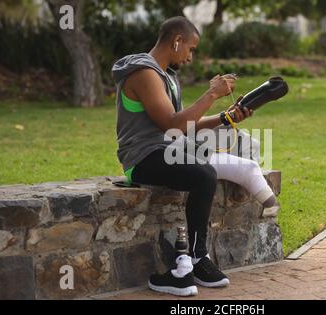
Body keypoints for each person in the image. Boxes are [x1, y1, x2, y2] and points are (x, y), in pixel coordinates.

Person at [111, 16, 279, 297]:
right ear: (176, 41)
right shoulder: (144, 74)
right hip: (142, 158)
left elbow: (183, 124)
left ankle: (196, 261)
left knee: (215, 165)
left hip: (171, 150)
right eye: (190, 49)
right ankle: (194, 260)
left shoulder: (166, 76)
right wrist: (211, 94)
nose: (190, 57)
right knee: (203, 174)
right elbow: (173, 125)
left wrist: (226, 117)